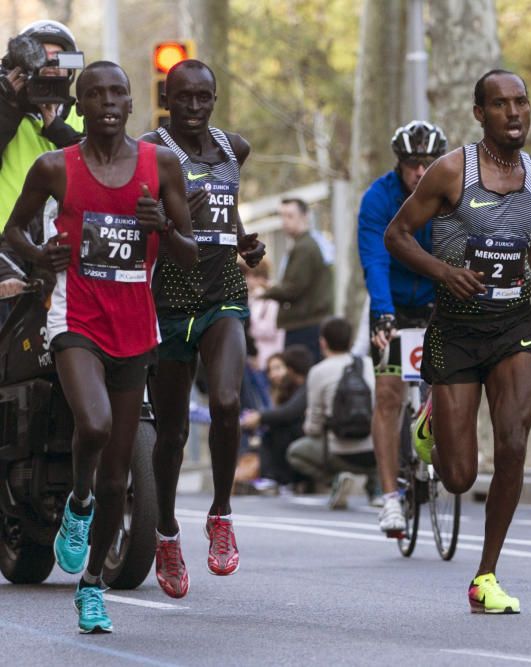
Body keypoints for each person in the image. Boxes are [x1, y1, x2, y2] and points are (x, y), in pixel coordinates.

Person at [4, 61, 197, 633]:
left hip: (135, 322)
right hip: (75, 315)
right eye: (95, 94)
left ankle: (91, 587)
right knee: (93, 424)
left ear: (132, 105)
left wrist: (162, 223)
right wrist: (42, 258)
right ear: (79, 106)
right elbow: (14, 230)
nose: (108, 101)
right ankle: (78, 506)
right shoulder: (53, 167)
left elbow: (187, 253)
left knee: (120, 478)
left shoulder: (159, 164)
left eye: (118, 93)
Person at [385, 69, 531, 615]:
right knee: (460, 475)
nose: (514, 113)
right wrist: (445, 273)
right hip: (456, 329)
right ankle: (429, 423)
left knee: (514, 441)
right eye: (500, 104)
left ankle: (486, 575)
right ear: (479, 114)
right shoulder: (450, 172)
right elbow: (396, 236)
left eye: (522, 102)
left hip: (513, 323)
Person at [139, 59, 266, 599]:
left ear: (214, 98)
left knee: (229, 400)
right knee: (170, 431)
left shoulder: (232, 148)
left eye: (203, 97)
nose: (194, 107)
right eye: (183, 98)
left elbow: (225, 207)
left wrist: (244, 242)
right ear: (168, 100)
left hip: (223, 299)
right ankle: (166, 532)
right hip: (167, 302)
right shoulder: (149, 149)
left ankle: (221, 514)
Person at [358, 120, 446, 533]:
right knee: (389, 394)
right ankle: (391, 497)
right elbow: (374, 259)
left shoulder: (450, 195)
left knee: (445, 387)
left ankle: (437, 449)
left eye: (429, 163)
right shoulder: (378, 198)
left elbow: (458, 254)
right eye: (412, 164)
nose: (420, 172)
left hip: (435, 301)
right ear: (399, 164)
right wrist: (383, 314)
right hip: (391, 301)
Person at [0, 20, 84, 309]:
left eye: (60, 60)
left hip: (65, 247)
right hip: (6, 248)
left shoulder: (82, 114)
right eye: (43, 59)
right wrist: (7, 108)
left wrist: (56, 126)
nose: (51, 67)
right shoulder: (7, 108)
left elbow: (100, 166)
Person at [286, 316, 377, 509]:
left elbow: (314, 426)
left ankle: (336, 479)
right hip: (374, 451)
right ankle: (374, 481)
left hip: (338, 453)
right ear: (351, 341)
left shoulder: (319, 371)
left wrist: (310, 428)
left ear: (323, 342)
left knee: (295, 452)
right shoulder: (369, 364)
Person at [258, 198, 333, 363]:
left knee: (299, 379)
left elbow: (293, 288)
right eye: (282, 216)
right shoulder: (303, 245)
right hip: (305, 323)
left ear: (305, 216)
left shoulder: (305, 247)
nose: (284, 221)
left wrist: (264, 293)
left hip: (305, 327)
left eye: (290, 215)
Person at [241, 345, 312, 493]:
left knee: (276, 429)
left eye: (282, 367)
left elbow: (288, 412)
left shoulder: (307, 385)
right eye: (270, 370)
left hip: (310, 437)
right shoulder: (283, 390)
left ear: (291, 369)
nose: (275, 374)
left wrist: (260, 417)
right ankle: (266, 478)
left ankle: (273, 479)